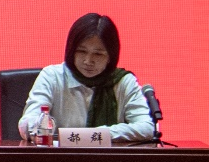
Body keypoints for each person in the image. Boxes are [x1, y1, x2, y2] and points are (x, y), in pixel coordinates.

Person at [18, 13, 154, 143]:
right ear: (71, 51)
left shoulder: (123, 82)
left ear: (110, 57)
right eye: (82, 51)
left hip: (109, 158)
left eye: (98, 54)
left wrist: (98, 135)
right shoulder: (52, 77)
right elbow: (27, 123)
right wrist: (39, 126)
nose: (88, 61)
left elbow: (147, 128)